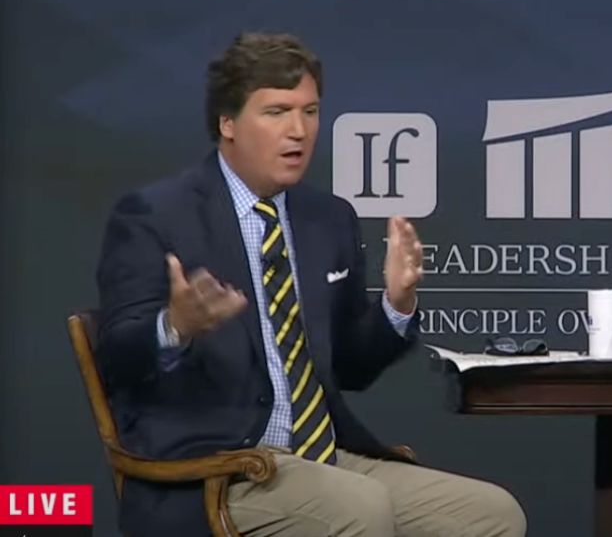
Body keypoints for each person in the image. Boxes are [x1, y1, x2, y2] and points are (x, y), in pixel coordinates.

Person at [95, 32, 527, 537]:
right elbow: (117, 358)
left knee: (492, 515)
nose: (299, 131)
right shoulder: (156, 215)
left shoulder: (328, 219)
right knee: (359, 508)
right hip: (217, 473)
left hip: (325, 458)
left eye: (311, 112)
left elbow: (351, 367)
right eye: (276, 112)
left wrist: (396, 305)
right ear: (227, 122)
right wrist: (176, 326)